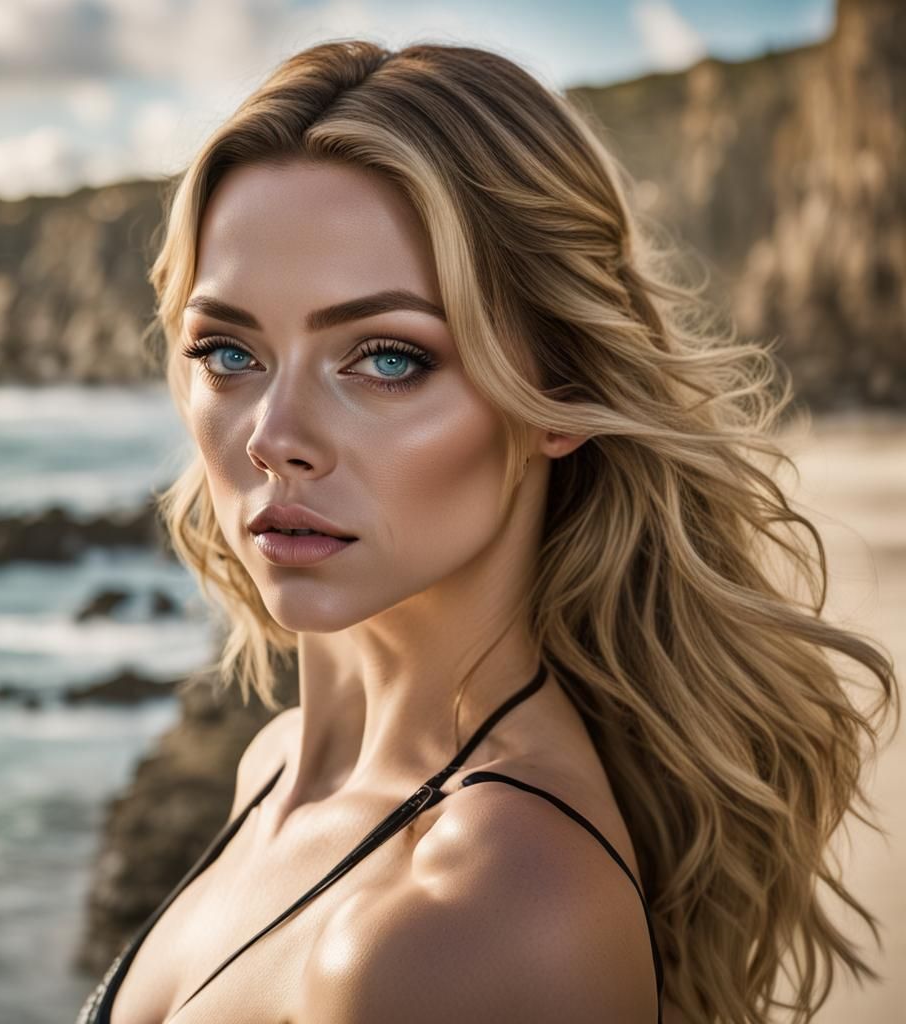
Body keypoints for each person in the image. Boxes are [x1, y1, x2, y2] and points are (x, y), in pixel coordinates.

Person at [77, 39, 898, 1024]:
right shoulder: (277, 762)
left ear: (560, 391)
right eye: (227, 350)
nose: (274, 438)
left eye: (383, 359)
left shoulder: (476, 916)